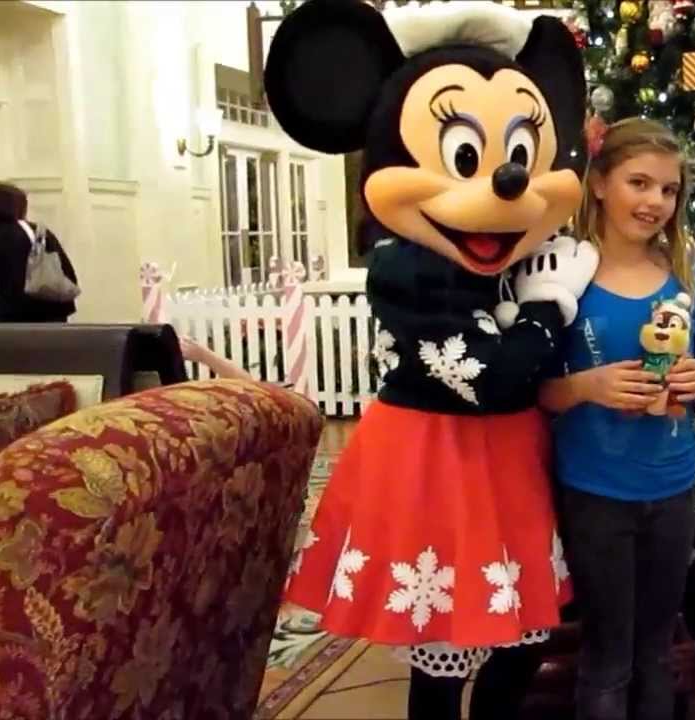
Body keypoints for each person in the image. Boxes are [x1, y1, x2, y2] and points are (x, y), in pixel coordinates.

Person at [262, 2, 595, 718]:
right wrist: (547, 306)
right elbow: (488, 374)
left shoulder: (527, 253)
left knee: (519, 636)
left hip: (509, 460)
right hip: (434, 463)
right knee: (445, 643)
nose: (505, 187)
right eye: (467, 158)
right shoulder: (408, 271)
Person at [538, 117, 695, 720]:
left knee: (655, 651)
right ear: (599, 183)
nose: (654, 203)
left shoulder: (688, 276)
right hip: (595, 493)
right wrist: (588, 384)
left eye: (668, 190)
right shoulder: (562, 275)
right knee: (608, 654)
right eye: (639, 183)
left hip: (674, 489)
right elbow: (535, 391)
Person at [0, 182, 78, 322]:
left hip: (9, 318)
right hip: (49, 314)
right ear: (20, 207)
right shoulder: (40, 232)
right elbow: (68, 273)